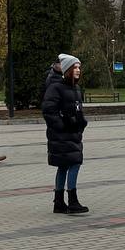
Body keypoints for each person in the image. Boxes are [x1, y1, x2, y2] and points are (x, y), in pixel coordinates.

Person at [42, 54, 89, 214]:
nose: (78, 70)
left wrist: (81, 123)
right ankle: (72, 200)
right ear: (68, 69)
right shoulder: (56, 87)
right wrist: (62, 126)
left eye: (79, 67)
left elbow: (77, 109)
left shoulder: (75, 88)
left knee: (63, 166)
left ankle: (59, 202)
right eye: (75, 67)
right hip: (62, 134)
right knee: (74, 163)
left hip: (73, 133)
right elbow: (49, 111)